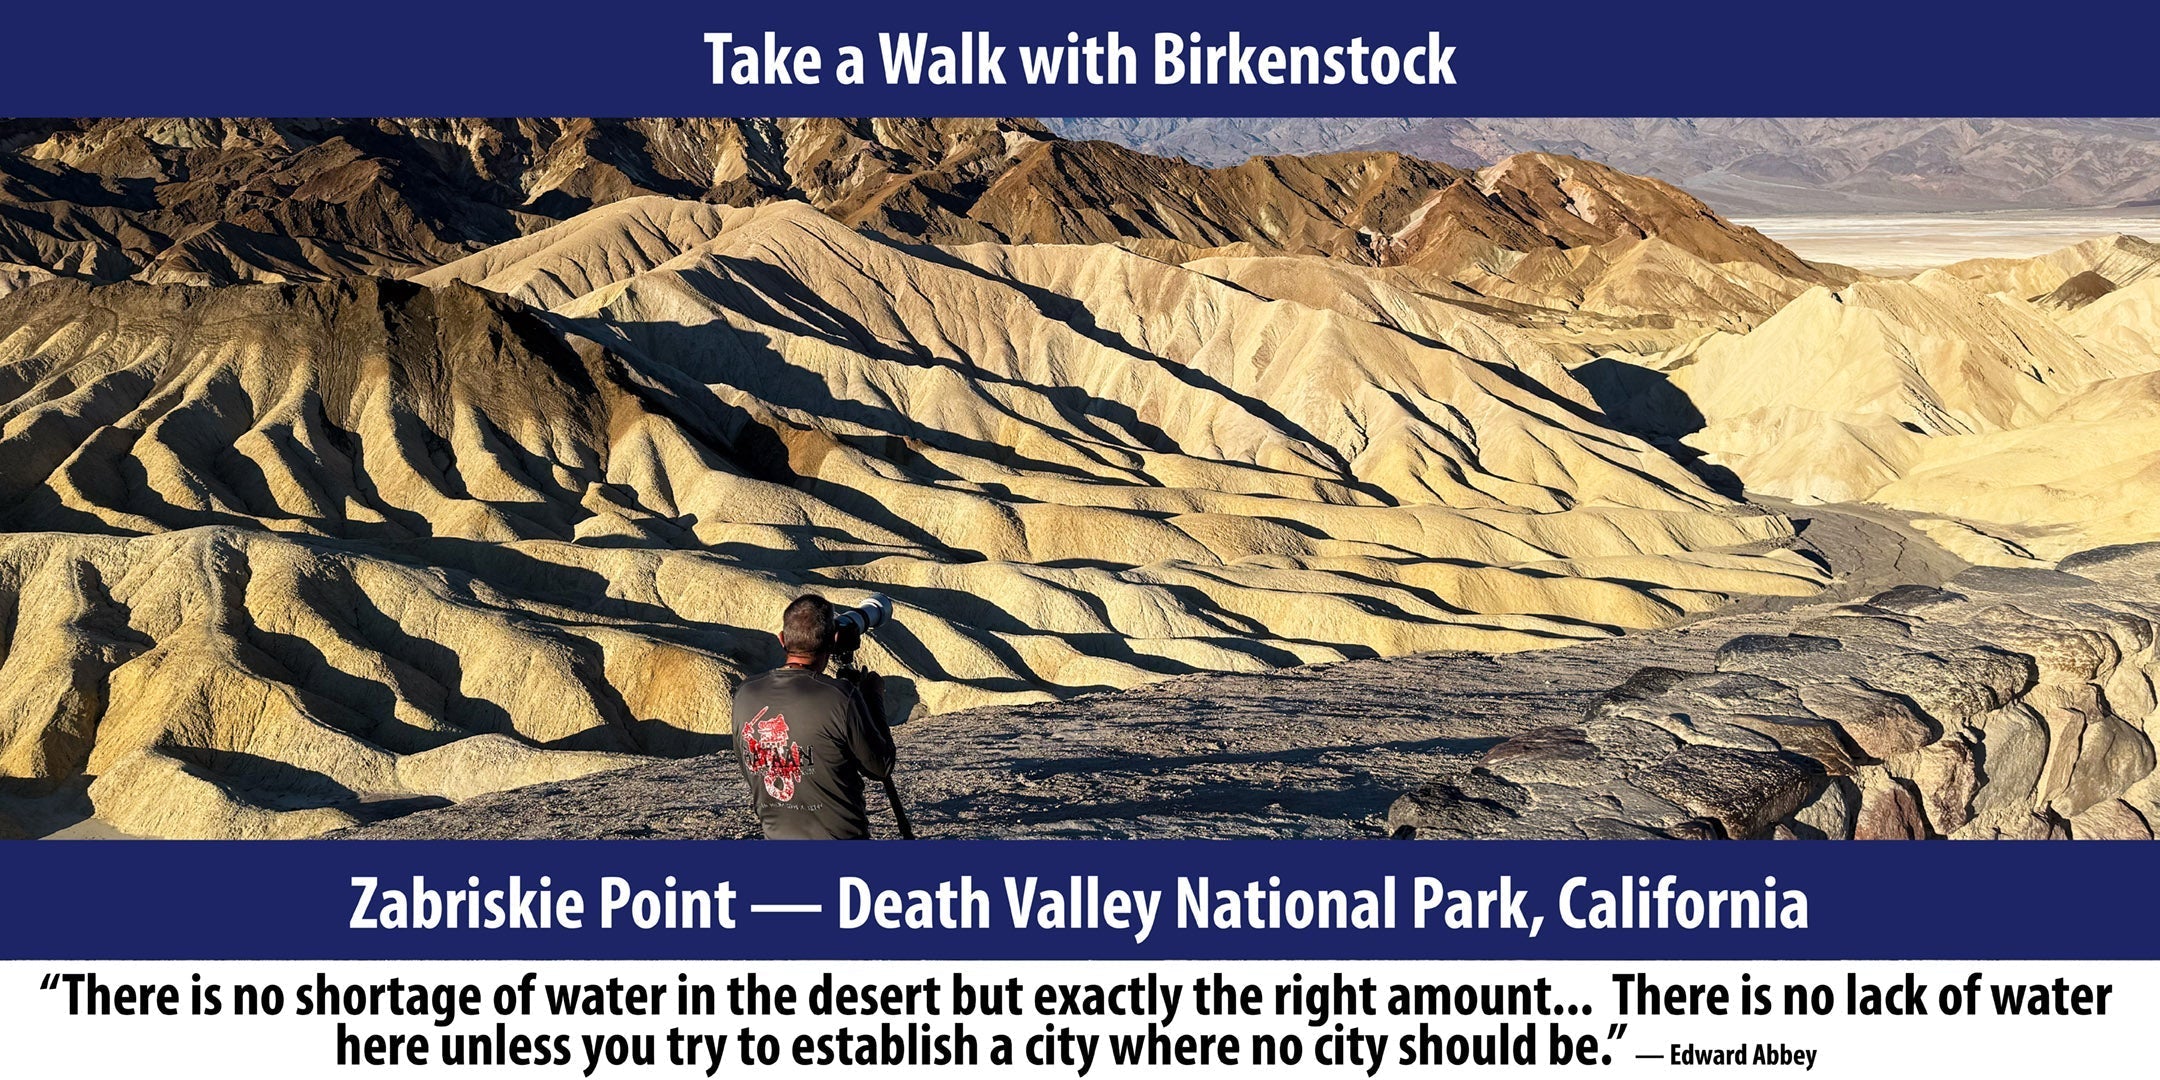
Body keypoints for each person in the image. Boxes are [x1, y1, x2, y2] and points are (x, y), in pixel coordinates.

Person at [732, 593, 896, 839]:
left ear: (782, 639)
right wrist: (872, 697)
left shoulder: (745, 693)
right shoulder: (840, 697)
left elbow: (749, 767)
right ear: (835, 639)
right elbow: (880, 767)